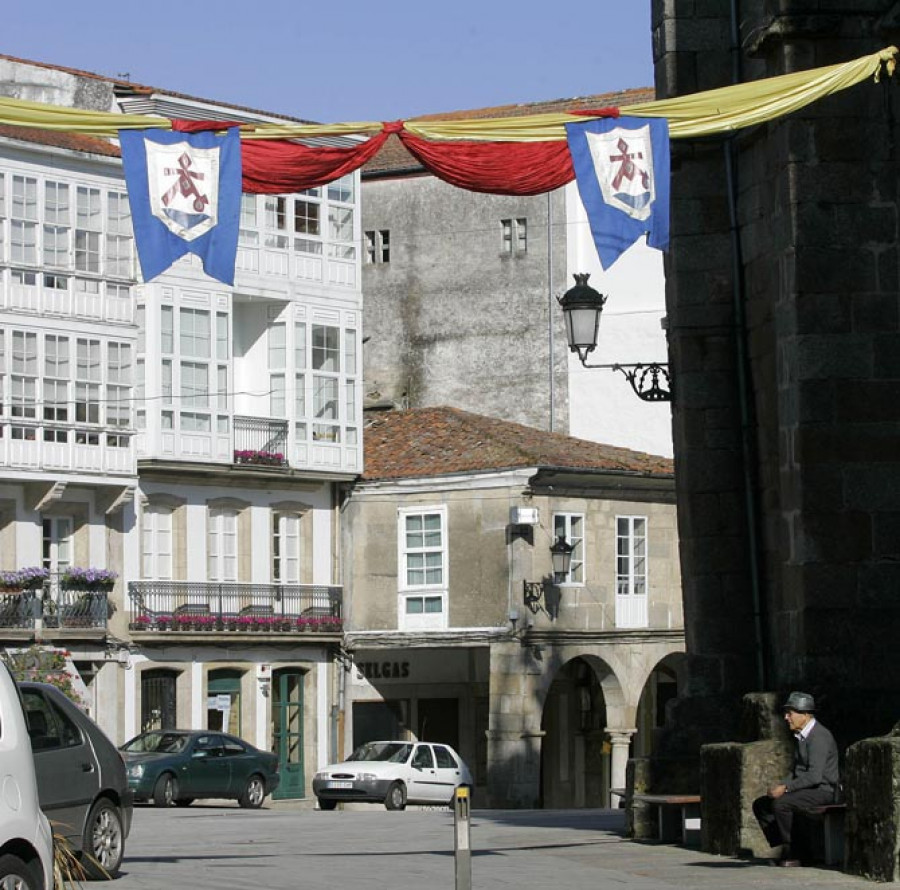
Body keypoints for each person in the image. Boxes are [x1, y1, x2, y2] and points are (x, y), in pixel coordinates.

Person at [752, 691, 840, 866]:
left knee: (782, 804)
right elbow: (795, 771)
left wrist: (785, 789)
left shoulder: (819, 737)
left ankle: (798, 852)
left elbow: (815, 776)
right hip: (808, 789)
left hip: (823, 790)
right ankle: (786, 847)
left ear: (805, 715)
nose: (786, 717)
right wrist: (781, 785)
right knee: (762, 804)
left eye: (790, 713)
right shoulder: (802, 737)